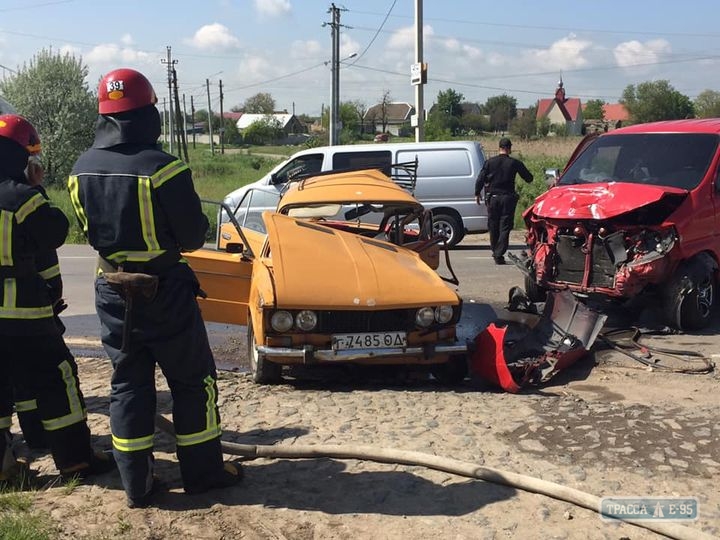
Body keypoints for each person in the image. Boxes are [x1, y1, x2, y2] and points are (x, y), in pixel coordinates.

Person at [68, 68, 242, 509]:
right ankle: (203, 475)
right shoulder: (165, 170)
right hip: (163, 291)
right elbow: (190, 238)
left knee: (127, 384)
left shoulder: (79, 170)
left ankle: (136, 484)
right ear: (148, 114)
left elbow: (89, 232)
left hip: (111, 289)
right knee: (192, 380)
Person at [0, 113, 115, 483]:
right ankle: (75, 461)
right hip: (26, 316)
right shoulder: (21, 197)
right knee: (57, 380)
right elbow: (55, 232)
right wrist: (36, 188)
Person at [475, 137, 533, 265]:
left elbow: (480, 178)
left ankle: (496, 251)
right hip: (507, 198)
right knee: (505, 226)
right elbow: (528, 178)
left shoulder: (489, 162)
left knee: (493, 225)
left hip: (493, 198)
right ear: (509, 148)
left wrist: (477, 193)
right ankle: (499, 253)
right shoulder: (514, 163)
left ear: (499, 148)